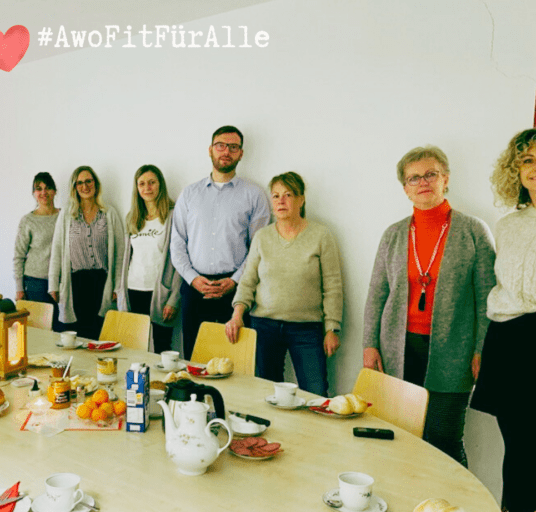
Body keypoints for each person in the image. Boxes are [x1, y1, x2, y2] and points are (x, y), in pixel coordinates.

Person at [362, 146, 495, 466]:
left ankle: (454, 509)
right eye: (413, 178)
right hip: (399, 349)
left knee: (444, 439)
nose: (423, 182)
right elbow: (377, 293)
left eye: (431, 174)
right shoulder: (393, 234)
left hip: (455, 350)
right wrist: (369, 343)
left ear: (445, 178)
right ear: (405, 187)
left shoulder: (473, 231)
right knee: (400, 432)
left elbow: (487, 297)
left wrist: (482, 349)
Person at [471, 126, 536, 512]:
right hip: (505, 338)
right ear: (515, 170)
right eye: (528, 160)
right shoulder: (509, 225)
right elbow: (503, 290)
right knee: (516, 452)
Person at [225, 172, 342, 396]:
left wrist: (332, 328)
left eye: (288, 195)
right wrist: (237, 314)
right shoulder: (262, 237)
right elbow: (248, 281)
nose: (281, 201)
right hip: (264, 326)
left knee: (316, 393)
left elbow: (333, 286)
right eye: (276, 196)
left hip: (307, 329)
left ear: (301, 199)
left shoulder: (321, 235)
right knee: (266, 394)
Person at [170, 125, 270, 359]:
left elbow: (258, 248)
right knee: (194, 360)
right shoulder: (190, 194)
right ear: (210, 150)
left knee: (236, 362)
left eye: (233, 147)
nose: (226, 151)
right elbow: (177, 243)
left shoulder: (254, 195)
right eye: (221, 146)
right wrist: (193, 279)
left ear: (241, 153)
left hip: (235, 292)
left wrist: (234, 281)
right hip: (195, 289)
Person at [48, 166, 124, 340]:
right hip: (75, 284)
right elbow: (57, 250)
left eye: (88, 181)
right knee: (77, 336)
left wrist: (117, 285)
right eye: (79, 183)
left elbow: (120, 253)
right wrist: (53, 283)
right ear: (75, 187)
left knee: (100, 335)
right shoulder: (67, 214)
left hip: (102, 283)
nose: (85, 186)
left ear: (95, 184)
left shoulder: (109, 214)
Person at [118, 165, 182, 353]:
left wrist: (173, 298)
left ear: (160, 185)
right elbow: (126, 259)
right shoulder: (132, 218)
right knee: (136, 347)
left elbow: (180, 261)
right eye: (142, 184)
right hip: (134, 289)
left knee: (162, 348)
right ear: (137, 188)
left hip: (160, 292)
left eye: (152, 182)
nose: (147, 188)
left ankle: (161, 384)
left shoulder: (173, 216)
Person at [13, 172, 62, 331]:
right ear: (34, 193)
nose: (43, 192)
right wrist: (19, 289)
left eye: (48, 188)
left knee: (61, 329)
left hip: (62, 282)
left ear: (54, 190)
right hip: (36, 284)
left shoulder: (64, 216)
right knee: (41, 331)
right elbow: (19, 256)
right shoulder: (28, 220)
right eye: (38, 189)